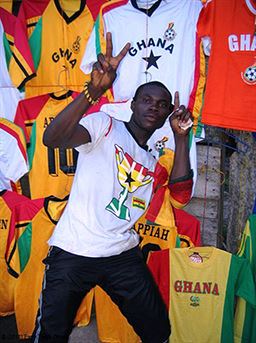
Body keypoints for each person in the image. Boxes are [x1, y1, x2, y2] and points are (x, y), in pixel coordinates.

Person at [32, 32, 193, 343]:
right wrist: (92, 91)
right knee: (51, 336)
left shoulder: (153, 159)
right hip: (73, 250)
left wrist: (182, 137)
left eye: (162, 105)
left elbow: (182, 197)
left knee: (158, 330)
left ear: (165, 117)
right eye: (146, 100)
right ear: (132, 104)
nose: (154, 108)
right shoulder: (104, 125)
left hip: (121, 254)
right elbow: (52, 139)